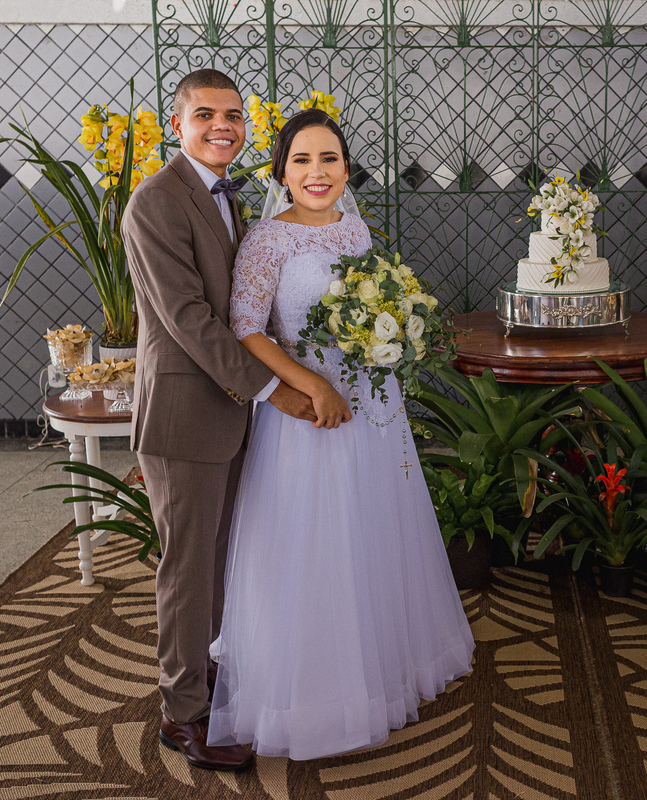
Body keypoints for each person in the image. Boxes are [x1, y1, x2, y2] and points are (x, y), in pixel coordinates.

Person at [206, 108, 475, 760]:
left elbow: (378, 308)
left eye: (329, 159)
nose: (316, 172)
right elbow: (246, 328)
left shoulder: (356, 230)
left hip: (374, 408)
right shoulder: (267, 240)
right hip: (308, 415)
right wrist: (311, 384)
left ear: (347, 169)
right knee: (314, 545)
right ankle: (317, 691)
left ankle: (383, 671)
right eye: (301, 160)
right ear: (282, 172)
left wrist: (396, 341)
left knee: (374, 534)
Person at [122, 68, 320, 772]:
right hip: (187, 413)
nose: (223, 126)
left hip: (234, 413)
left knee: (224, 561)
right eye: (205, 114)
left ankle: (212, 677)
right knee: (188, 568)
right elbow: (189, 321)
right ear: (178, 124)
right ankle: (183, 712)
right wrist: (274, 387)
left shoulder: (231, 197)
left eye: (233, 114)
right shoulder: (156, 201)